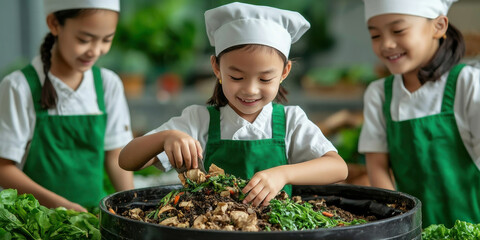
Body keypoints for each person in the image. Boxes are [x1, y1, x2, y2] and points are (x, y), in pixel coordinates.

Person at [119, 2, 348, 207]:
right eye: (236, 77)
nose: (250, 89)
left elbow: (338, 168)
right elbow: (127, 159)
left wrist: (283, 175)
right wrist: (165, 137)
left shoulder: (290, 121)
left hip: (276, 232)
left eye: (265, 79)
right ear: (217, 68)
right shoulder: (198, 120)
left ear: (285, 72)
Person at [0, 0, 134, 212]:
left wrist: (130, 210)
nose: (95, 50)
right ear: (54, 24)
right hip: (36, 222)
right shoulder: (20, 87)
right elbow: (3, 168)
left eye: (106, 40)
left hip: (94, 218)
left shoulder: (108, 84)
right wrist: (59, 205)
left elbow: (116, 156)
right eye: (84, 39)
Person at [359, 0, 480, 227]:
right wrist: (397, 223)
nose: (386, 44)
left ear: (439, 26)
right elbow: (377, 166)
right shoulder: (379, 95)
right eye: (375, 35)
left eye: (398, 30)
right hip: (413, 229)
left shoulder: (468, 84)